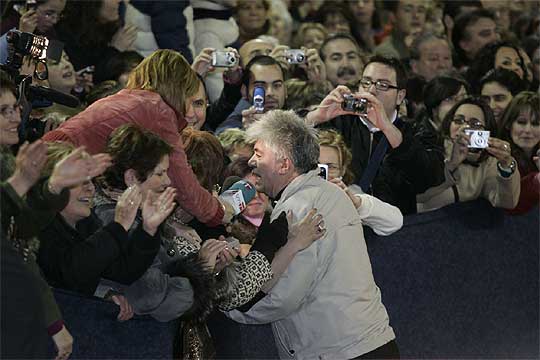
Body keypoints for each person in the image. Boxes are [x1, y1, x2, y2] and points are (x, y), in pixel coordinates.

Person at [226, 110, 399, 359]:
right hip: (371, 342)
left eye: (259, 154)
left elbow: (283, 297)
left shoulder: (296, 210)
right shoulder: (330, 193)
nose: (252, 161)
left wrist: (230, 302)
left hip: (340, 352)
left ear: (284, 164)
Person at [42, 49, 231, 227]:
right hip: (62, 162)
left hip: (53, 154)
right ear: (177, 87)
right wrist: (219, 212)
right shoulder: (157, 110)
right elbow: (182, 181)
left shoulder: (133, 98)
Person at [0, 69, 110, 359]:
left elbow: (21, 240)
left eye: (15, 108)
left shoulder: (8, 163)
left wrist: (53, 187)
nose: (16, 117)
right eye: (4, 111)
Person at [305, 55, 445, 215]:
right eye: (366, 82)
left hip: (394, 228)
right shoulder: (338, 122)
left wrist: (387, 128)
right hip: (338, 221)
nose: (371, 90)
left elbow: (431, 177)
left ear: (400, 96)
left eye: (383, 85)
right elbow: (285, 146)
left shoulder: (416, 131)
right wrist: (316, 116)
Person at [37, 142, 175, 302]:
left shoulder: (86, 223)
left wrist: (147, 230)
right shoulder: (41, 228)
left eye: (90, 181)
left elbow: (123, 272)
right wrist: (118, 226)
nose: (90, 189)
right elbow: (71, 272)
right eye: (80, 181)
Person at [417, 97, 520, 212]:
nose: (464, 127)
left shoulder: (487, 163)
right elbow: (418, 196)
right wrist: (451, 165)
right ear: (449, 124)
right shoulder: (429, 149)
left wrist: (506, 165)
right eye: (458, 120)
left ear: (486, 132)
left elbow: (507, 202)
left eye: (475, 124)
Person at [318, 129, 403, 236]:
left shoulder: (351, 194)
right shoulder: (293, 194)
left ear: (342, 170)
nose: (322, 173)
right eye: (315, 166)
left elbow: (395, 222)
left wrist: (357, 204)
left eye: (331, 167)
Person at [498, 92, 540, 214]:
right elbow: (510, 206)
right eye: (521, 122)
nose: (527, 130)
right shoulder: (497, 158)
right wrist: (537, 180)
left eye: (536, 124)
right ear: (508, 124)